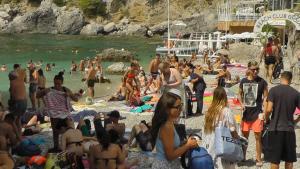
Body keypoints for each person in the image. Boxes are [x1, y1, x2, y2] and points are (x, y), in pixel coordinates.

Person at [151, 89, 198, 169]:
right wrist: (188, 145)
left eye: (181, 105)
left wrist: (184, 143)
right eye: (178, 107)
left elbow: (169, 145)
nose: (181, 109)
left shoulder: (169, 122)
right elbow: (170, 156)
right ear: (167, 109)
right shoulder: (167, 126)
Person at [264, 71, 300, 169]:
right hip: (289, 129)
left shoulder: (274, 91)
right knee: (289, 159)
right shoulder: (296, 93)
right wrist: (295, 121)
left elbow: (269, 109)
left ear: (281, 78)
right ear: (290, 80)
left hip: (275, 128)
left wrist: (266, 119)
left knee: (275, 160)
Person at [36, 72, 79, 151]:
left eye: (58, 84)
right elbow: (37, 96)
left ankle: (70, 144)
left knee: (69, 129)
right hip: (54, 113)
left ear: (62, 83)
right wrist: (44, 92)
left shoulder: (66, 90)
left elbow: (76, 99)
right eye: (55, 83)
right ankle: (56, 146)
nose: (57, 86)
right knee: (55, 131)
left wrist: (69, 94)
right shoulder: (50, 90)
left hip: (65, 113)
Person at [238, 61, 267, 167]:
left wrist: (264, 110)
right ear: (249, 69)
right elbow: (239, 94)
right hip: (246, 114)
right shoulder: (243, 81)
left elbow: (266, 97)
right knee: (244, 138)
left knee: (258, 137)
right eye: (253, 69)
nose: (255, 71)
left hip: (257, 113)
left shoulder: (262, 82)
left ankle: (258, 159)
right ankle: (242, 157)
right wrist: (241, 104)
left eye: (257, 69)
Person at [203, 87, 238, 169]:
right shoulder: (226, 111)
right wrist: (237, 138)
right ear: (225, 97)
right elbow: (232, 129)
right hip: (224, 146)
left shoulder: (209, 111)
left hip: (210, 145)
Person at [8, 64, 27, 139]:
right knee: (18, 119)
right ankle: (20, 135)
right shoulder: (21, 81)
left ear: (11, 77)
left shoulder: (12, 83)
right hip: (24, 102)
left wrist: (10, 104)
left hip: (18, 102)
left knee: (12, 120)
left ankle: (17, 137)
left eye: (9, 77)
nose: (9, 78)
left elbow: (12, 96)